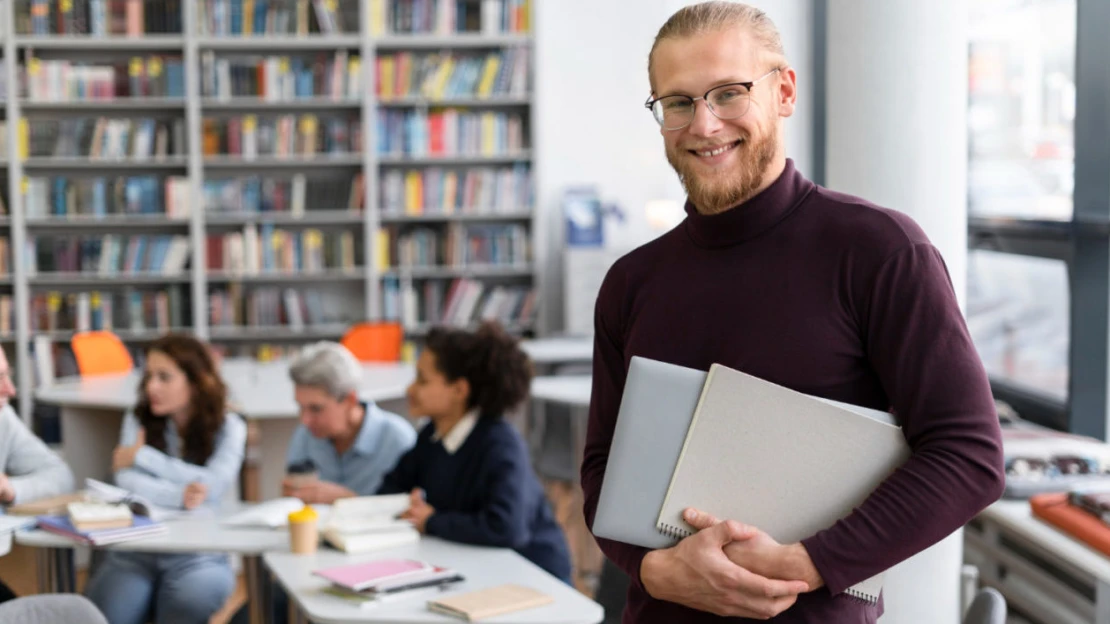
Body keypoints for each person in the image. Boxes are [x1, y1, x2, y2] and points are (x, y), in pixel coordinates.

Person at [580, 3, 1005, 622]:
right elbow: (600, 469)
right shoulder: (630, 282)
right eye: (677, 102)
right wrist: (649, 568)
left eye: (729, 93)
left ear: (783, 91)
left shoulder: (880, 251)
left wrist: (812, 560)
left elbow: (968, 454)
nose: (704, 124)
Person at [378, 322, 572, 583]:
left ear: (459, 390)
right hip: (475, 565)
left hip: (532, 578)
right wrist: (399, 505)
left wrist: (432, 521)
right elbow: (392, 489)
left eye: (422, 380)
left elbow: (507, 528)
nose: (410, 390)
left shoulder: (501, 444)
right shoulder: (431, 436)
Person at [84, 334, 246, 624]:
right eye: (148, 376)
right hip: (136, 551)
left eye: (164, 377)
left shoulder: (230, 426)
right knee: (106, 614)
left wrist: (143, 456)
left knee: (188, 602)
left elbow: (214, 484)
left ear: (196, 381)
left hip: (200, 556)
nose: (151, 387)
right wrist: (179, 495)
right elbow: (126, 481)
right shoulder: (137, 418)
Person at [282, 341, 416, 504]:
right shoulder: (304, 435)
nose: (305, 420)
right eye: (300, 407)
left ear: (350, 400)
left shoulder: (398, 440)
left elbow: (410, 513)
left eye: (316, 409)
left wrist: (349, 501)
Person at [0, 348, 75, 603]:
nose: (10, 390)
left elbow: (61, 476)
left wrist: (10, 488)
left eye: (7, 376)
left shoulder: (3, 418)